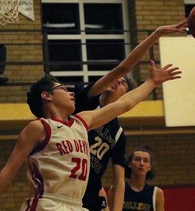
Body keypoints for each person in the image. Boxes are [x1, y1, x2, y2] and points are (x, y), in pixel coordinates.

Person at [0, 60, 181, 211]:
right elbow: (7, 173)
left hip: (77, 205)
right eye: (62, 88)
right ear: (47, 96)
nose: (71, 92)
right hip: (48, 203)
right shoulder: (38, 127)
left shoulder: (82, 122)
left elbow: (124, 104)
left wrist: (152, 82)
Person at [75, 18, 188, 211]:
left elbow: (119, 181)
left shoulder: (117, 133)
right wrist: (156, 34)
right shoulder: (87, 101)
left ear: (128, 94)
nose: (118, 81)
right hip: (67, 184)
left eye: (124, 83)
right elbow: (123, 68)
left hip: (90, 193)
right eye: (116, 79)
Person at [108, 146, 165, 211]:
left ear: (150, 167)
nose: (141, 163)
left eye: (145, 161)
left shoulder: (157, 193)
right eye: (137, 159)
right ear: (129, 164)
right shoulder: (115, 190)